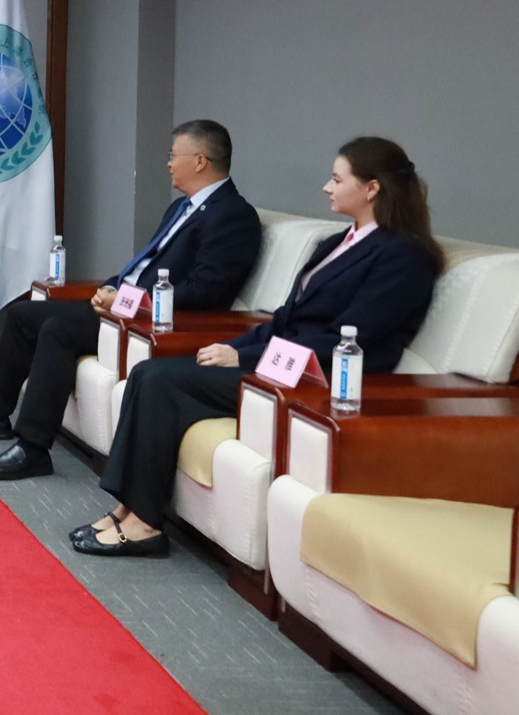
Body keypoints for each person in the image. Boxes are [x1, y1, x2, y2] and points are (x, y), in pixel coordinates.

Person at [73, 136, 443, 557]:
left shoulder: (404, 256)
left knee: (160, 381)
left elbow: (354, 337)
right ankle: (127, 509)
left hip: (322, 380)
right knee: (147, 374)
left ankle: (143, 524)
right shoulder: (337, 242)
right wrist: (234, 346)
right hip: (282, 366)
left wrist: (246, 356)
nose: (327, 187)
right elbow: (285, 318)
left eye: (337, 179)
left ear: (371, 188)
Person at [0, 120, 262, 480]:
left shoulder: (233, 215)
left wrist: (137, 300)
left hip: (149, 320)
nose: (169, 163)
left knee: (58, 329)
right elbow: (146, 265)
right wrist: (110, 289)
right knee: (24, 313)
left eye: (174, 155)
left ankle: (32, 448)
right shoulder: (180, 208)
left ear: (200, 161)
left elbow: (207, 291)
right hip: (124, 307)